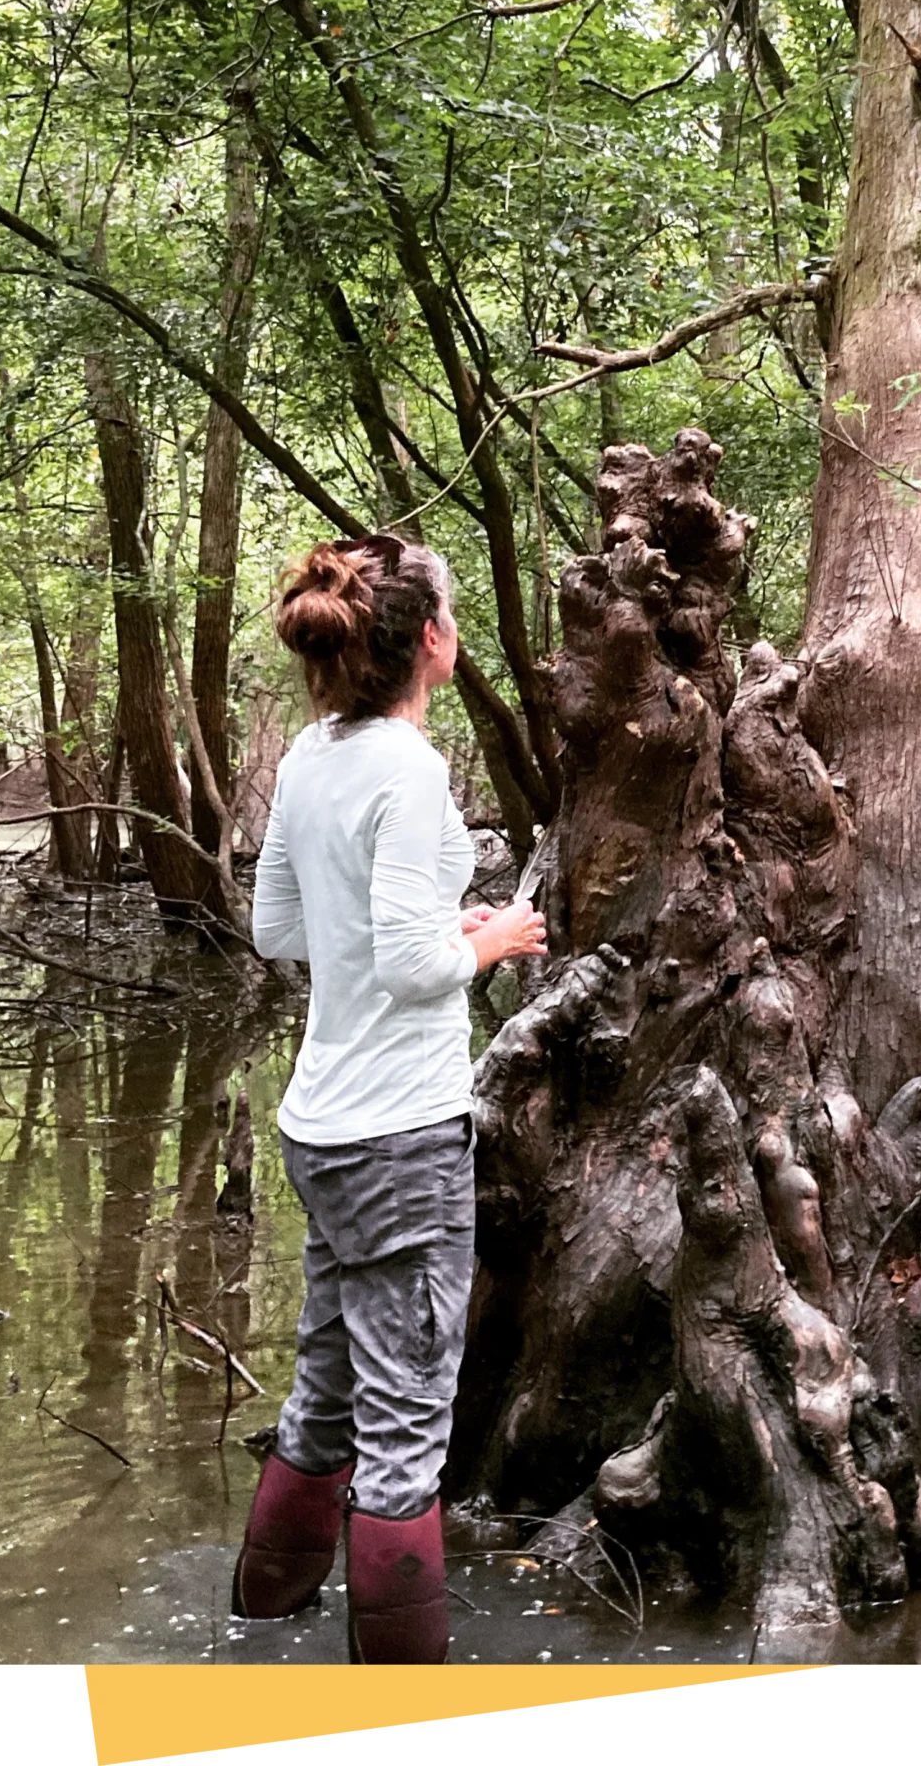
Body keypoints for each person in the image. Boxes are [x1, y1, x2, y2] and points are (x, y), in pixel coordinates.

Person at [232, 532, 546, 1664]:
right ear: (429, 642)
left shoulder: (312, 756)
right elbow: (413, 971)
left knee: (325, 1381)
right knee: (410, 1408)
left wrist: (428, 935)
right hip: (399, 1135)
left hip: (319, 1126)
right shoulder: (409, 769)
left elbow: (280, 929)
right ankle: (399, 1674)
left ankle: (261, 1623)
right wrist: (494, 940)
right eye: (453, 616)